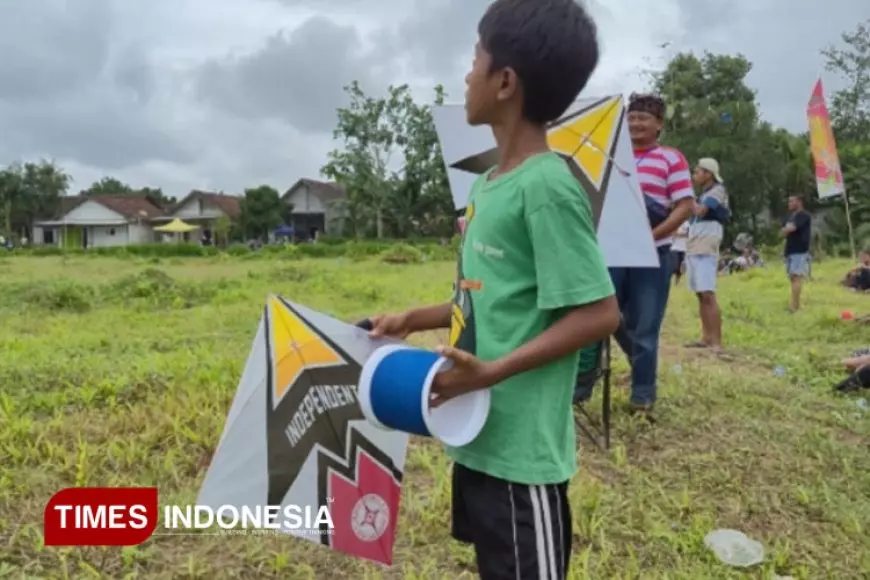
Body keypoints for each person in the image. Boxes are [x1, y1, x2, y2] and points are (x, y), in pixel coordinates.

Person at [367, 2, 619, 577]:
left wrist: (491, 372)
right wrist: (413, 318)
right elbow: (483, 296)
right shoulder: (486, 185)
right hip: (478, 431)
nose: (466, 75)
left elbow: (599, 313)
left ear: (504, 82)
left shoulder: (547, 186)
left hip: (521, 451)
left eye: (474, 59)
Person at [575, 92, 694, 416]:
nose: (636, 123)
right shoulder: (608, 158)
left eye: (644, 118)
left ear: (659, 124)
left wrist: (649, 237)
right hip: (610, 253)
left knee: (645, 324)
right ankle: (582, 386)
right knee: (602, 318)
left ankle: (642, 397)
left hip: (653, 256)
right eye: (631, 118)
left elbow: (685, 206)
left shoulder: (671, 158)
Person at [685, 158, 729, 352]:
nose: (694, 175)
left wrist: (686, 198)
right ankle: (706, 337)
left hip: (706, 241)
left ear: (708, 174)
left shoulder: (717, 191)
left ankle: (716, 341)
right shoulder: (703, 194)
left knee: (708, 293)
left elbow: (702, 211)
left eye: (698, 172)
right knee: (700, 292)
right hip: (696, 240)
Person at [780, 195, 812, 312]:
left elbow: (791, 228)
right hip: (790, 249)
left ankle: (795, 306)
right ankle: (795, 304)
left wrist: (786, 229)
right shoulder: (791, 217)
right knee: (792, 278)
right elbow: (784, 231)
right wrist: (786, 230)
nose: (789, 204)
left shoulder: (803, 215)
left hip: (799, 250)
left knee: (796, 277)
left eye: (791, 201)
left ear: (799, 202)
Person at [670, 220, 689, 285]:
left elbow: (689, 234)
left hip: (683, 248)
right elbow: (673, 233)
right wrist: (681, 234)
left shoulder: (687, 224)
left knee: (680, 267)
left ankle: (677, 281)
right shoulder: (675, 222)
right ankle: (670, 279)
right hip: (674, 247)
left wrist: (679, 234)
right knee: (674, 265)